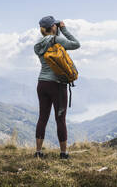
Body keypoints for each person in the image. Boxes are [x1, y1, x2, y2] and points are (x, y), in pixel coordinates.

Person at [33, 15, 80, 159]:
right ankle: (63, 153)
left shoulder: (38, 44)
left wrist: (56, 31)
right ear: (53, 27)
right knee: (60, 119)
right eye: (55, 25)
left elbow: (51, 45)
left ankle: (39, 152)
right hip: (57, 85)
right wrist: (64, 29)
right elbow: (75, 44)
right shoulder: (56, 39)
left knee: (42, 118)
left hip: (42, 83)